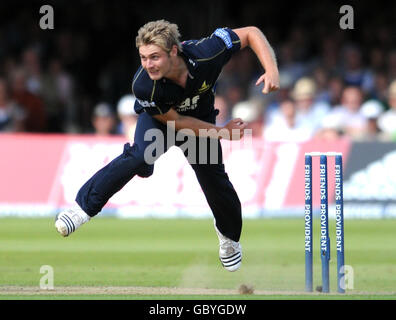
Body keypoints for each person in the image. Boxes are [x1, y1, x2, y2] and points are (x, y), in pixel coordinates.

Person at [55, 20, 279, 272]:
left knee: (213, 178)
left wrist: (271, 70)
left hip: (200, 118)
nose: (148, 64)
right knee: (140, 156)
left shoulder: (208, 53)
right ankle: (83, 208)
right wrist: (222, 133)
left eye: (155, 57)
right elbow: (178, 122)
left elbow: (251, 33)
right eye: (143, 57)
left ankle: (229, 238)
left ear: (174, 51)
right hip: (163, 122)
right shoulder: (143, 84)